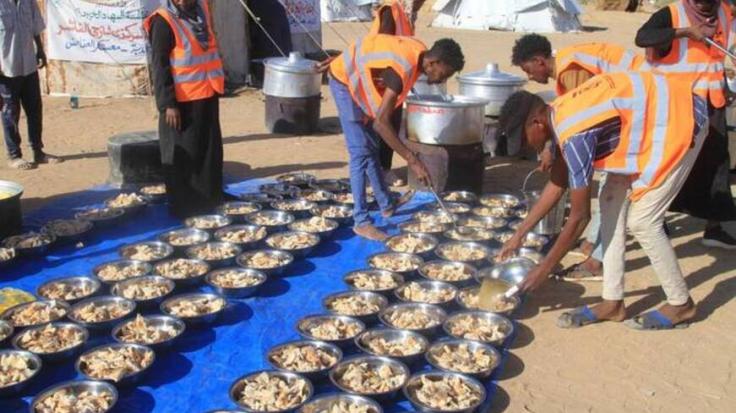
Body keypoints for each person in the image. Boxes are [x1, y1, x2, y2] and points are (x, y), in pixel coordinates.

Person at [497, 71, 709, 330]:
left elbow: (579, 218)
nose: (527, 147)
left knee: (643, 222)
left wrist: (544, 269)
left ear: (536, 123)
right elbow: (557, 183)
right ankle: (612, 303)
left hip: (682, 118)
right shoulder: (558, 115)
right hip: (650, 122)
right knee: (609, 203)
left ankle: (680, 304)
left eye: (524, 139)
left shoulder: (574, 134)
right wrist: (519, 234)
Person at [510, 34, 649, 281]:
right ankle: (594, 246)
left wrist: (544, 268)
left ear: (540, 61)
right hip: (635, 107)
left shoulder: (570, 71)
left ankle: (597, 259)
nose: (529, 77)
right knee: (609, 193)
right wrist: (520, 233)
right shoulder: (567, 64)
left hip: (646, 109)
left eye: (528, 70)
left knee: (616, 198)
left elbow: (580, 126)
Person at [328, 35, 465, 240]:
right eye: (445, 73)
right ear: (433, 63)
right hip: (344, 81)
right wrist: (413, 160)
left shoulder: (419, 53)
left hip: (360, 78)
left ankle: (386, 204)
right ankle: (361, 221)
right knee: (360, 152)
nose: (443, 79)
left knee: (371, 148)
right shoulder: (402, 69)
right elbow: (381, 123)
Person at [636, 0, 736, 249]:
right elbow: (643, 37)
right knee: (668, 163)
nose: (703, 6)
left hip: (712, 101)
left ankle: (714, 228)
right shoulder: (672, 13)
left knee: (717, 163)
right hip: (677, 103)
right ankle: (657, 219)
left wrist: (725, 85)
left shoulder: (725, 12)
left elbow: (714, 57)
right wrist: (685, 32)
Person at [144, 0, 226, 218]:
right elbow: (159, 66)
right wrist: (167, 104)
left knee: (208, 151)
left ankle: (210, 198)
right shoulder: (163, 21)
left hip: (207, 91)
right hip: (182, 101)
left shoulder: (202, 9)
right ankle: (186, 205)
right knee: (185, 154)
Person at [0, 0, 62, 170]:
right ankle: (14, 156)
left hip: (28, 66)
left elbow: (35, 28)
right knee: (10, 113)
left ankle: (38, 152)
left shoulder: (28, 2)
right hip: (6, 70)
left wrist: (40, 50)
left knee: (35, 110)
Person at [370, 1, 415, 187]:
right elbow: (385, 44)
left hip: (394, 74)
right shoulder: (391, 10)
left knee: (392, 122)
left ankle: (382, 167)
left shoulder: (403, 12)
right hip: (386, 76)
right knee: (385, 122)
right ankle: (381, 169)